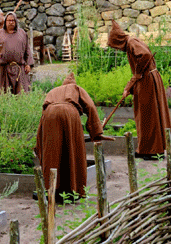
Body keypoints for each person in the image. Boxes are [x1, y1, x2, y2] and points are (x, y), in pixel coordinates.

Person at [35, 72, 114, 201]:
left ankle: (52, 189)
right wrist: (96, 133)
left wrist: (40, 141)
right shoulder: (76, 89)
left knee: (52, 152)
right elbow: (91, 107)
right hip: (69, 113)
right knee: (73, 149)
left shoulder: (53, 91)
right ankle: (72, 190)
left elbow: (44, 112)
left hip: (49, 115)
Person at [107, 20, 171, 160]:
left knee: (148, 116)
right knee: (146, 116)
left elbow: (145, 56)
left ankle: (153, 150)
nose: (117, 50)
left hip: (147, 82)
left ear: (118, 41)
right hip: (147, 80)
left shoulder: (131, 43)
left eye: (115, 46)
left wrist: (133, 79)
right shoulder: (132, 42)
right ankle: (146, 149)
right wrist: (130, 86)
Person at [0, 12, 34, 94]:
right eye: (9, 20)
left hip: (19, 69)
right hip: (3, 70)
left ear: (16, 22)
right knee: (3, 94)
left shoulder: (22, 34)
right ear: (5, 22)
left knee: (22, 93)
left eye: (13, 20)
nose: (11, 22)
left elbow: (27, 50)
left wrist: (28, 64)